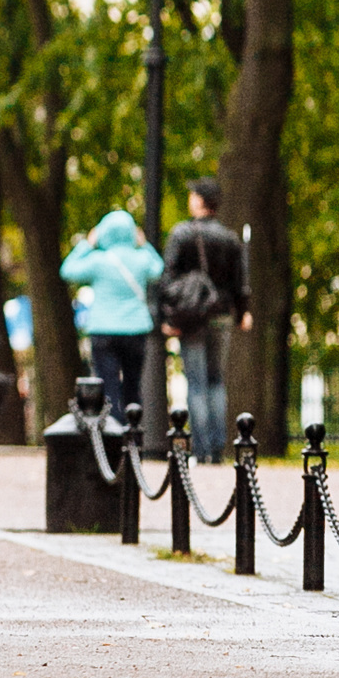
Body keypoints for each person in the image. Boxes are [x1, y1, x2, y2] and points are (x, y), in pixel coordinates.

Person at [161, 177, 253, 463]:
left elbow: (168, 280)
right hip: (221, 316)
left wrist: (169, 315)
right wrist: (243, 312)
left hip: (192, 319)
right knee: (216, 381)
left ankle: (200, 449)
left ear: (200, 201)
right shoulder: (229, 238)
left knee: (197, 383)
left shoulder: (181, 234)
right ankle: (217, 448)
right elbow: (241, 280)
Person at [61, 209, 165, 421]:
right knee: (132, 386)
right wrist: (144, 244)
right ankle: (133, 436)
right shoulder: (141, 258)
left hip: (103, 330)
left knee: (107, 386)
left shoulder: (98, 261)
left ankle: (112, 432)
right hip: (136, 330)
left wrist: (87, 244)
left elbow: (68, 270)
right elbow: (159, 269)